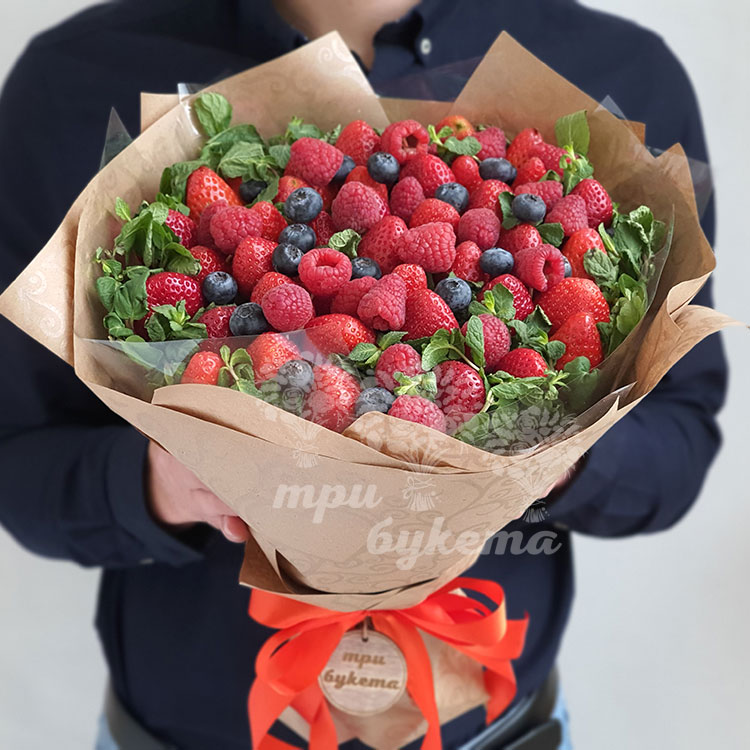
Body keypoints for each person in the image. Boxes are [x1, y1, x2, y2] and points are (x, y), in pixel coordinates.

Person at [0, 1, 727, 749]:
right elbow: (19, 461)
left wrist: (545, 448)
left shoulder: (618, 71)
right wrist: (163, 480)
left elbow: (679, 444)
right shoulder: (72, 79)